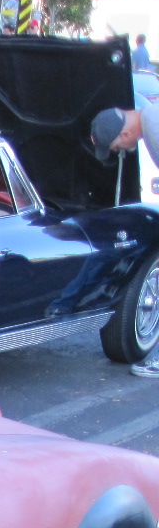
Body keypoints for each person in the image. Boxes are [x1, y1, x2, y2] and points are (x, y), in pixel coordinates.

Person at [90, 103, 159, 375]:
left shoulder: (154, 126)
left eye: (116, 147)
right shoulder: (152, 116)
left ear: (126, 135)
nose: (120, 151)